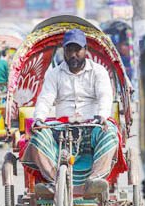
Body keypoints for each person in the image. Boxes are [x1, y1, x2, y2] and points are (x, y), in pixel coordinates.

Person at [21, 29, 117, 195]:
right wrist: (39, 119)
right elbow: (45, 98)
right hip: (61, 129)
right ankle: (52, 182)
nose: (73, 54)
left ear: (85, 50)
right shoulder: (54, 74)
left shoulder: (98, 71)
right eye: (69, 50)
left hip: (92, 125)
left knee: (110, 134)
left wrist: (102, 116)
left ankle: (95, 180)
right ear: (63, 51)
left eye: (77, 50)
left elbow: (105, 95)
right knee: (38, 137)